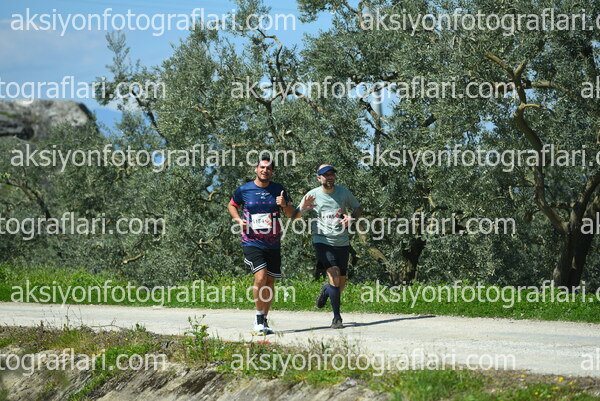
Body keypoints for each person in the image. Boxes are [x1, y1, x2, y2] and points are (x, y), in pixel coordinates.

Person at [228, 156, 294, 334]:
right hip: (252, 241)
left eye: (269, 168)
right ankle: (258, 319)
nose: (265, 171)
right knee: (260, 278)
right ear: (256, 169)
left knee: (270, 281)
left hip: (273, 243)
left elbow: (290, 214)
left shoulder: (278, 189)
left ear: (272, 172)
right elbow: (232, 205)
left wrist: (284, 205)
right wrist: (238, 220)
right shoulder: (244, 189)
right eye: (262, 167)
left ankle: (264, 319)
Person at [292, 164, 362, 329]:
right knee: (335, 276)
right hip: (322, 241)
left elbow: (359, 208)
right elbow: (294, 216)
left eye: (332, 174)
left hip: (342, 242)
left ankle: (326, 291)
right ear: (319, 178)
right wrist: (302, 208)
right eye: (326, 175)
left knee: (340, 285)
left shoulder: (343, 192)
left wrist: (352, 217)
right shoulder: (312, 195)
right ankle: (337, 318)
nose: (330, 177)